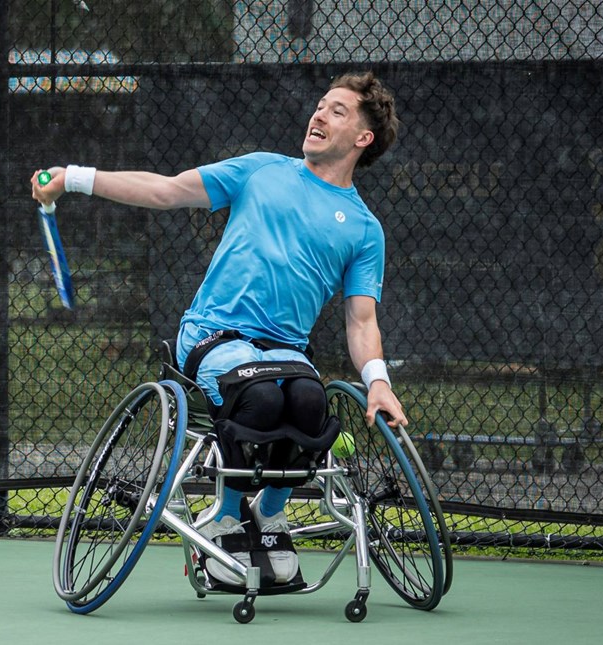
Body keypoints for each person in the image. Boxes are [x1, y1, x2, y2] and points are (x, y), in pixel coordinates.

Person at [31, 71, 408, 586]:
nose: (318, 115)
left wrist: (379, 382)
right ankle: (228, 517)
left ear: (363, 138)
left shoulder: (365, 229)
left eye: (337, 111)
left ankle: (269, 517)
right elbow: (166, 191)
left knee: (310, 404)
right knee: (262, 401)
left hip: (285, 351)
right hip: (213, 336)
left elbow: (361, 319)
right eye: (320, 105)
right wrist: (74, 176)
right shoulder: (259, 171)